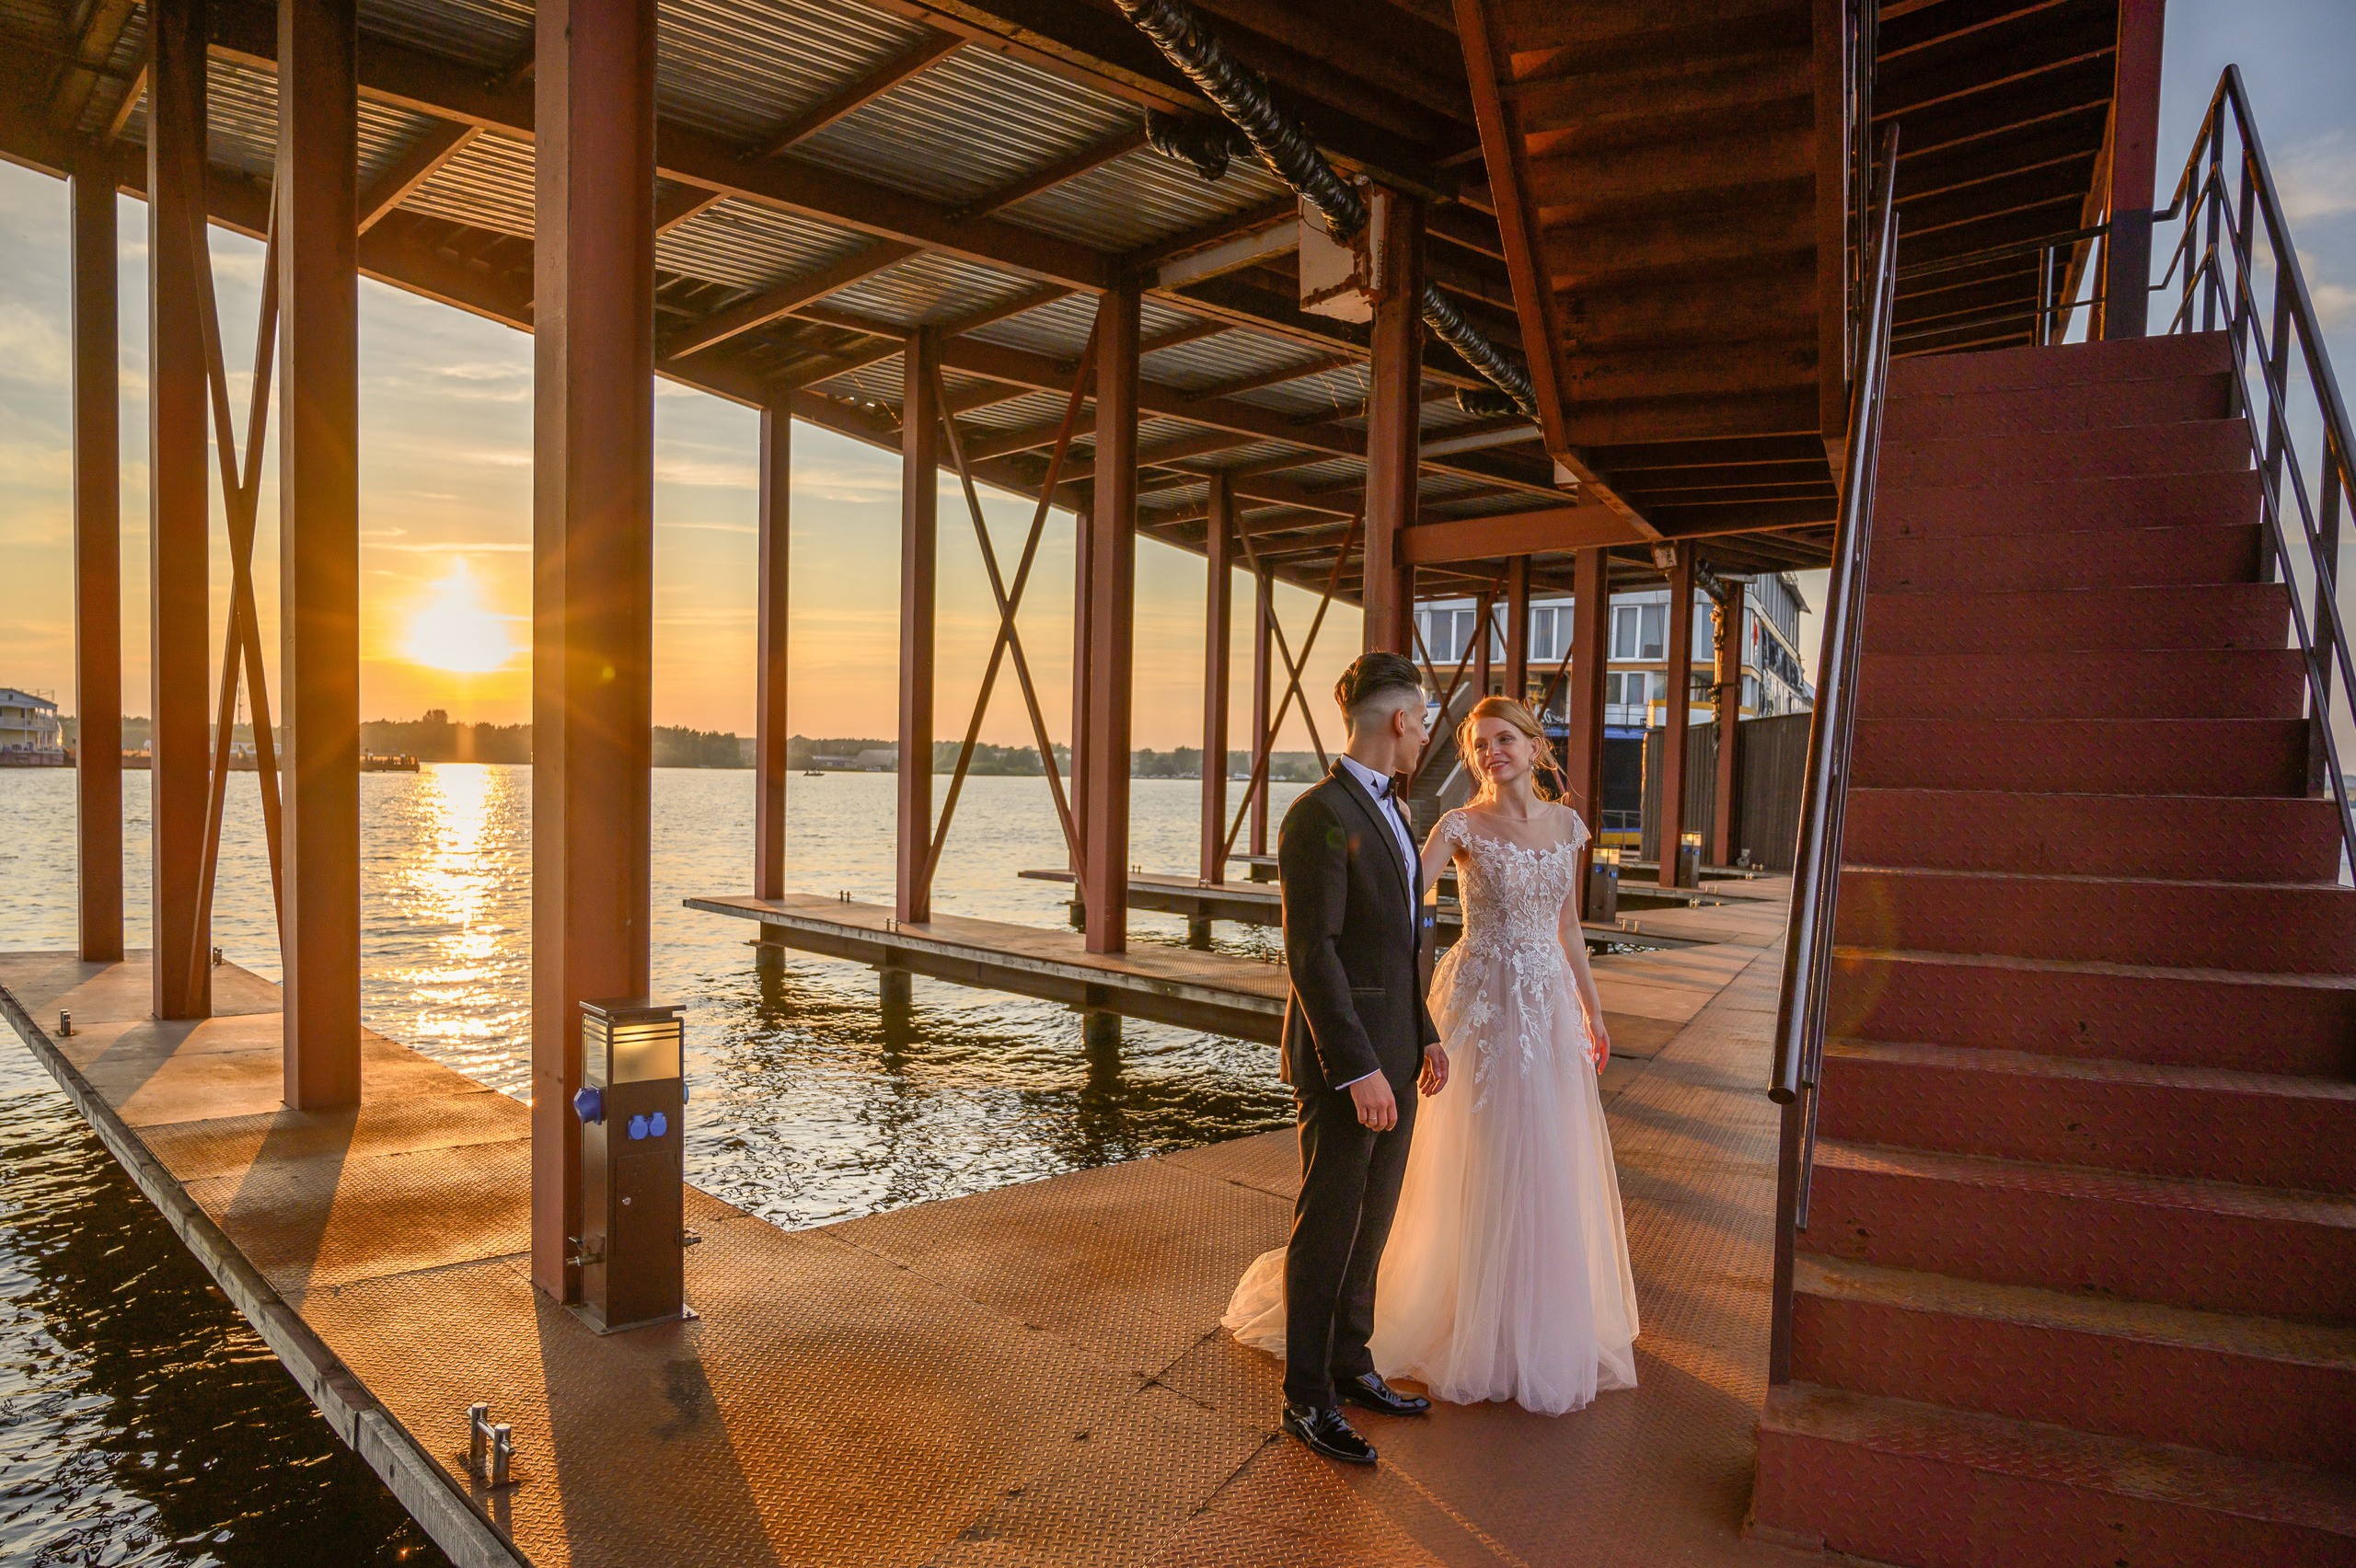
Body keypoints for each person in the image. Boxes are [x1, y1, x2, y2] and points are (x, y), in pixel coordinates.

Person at [1226, 694, 1639, 1419]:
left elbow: (1569, 926)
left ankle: (1530, 1323)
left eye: (1504, 739)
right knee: (1470, 1155)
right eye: (1479, 744)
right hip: (1479, 1000)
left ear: (1537, 746)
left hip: (1546, 1007)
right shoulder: (1456, 825)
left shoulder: (1568, 826)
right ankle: (1446, 1316)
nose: (1490, 754)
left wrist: (1591, 1009)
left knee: (1545, 1154)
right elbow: (1394, 899)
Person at [1253, 651, 1450, 1468]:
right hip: (1349, 1066)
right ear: (1401, 719)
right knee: (1329, 1227)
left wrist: (1425, 1032)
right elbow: (1313, 955)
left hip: (1399, 1053)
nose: (1427, 736)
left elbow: (1400, 943)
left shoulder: (1397, 811)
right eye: (1425, 720)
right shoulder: (1318, 813)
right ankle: (1308, 1399)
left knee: (1372, 1224)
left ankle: (1352, 1364)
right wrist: (1357, 1067)